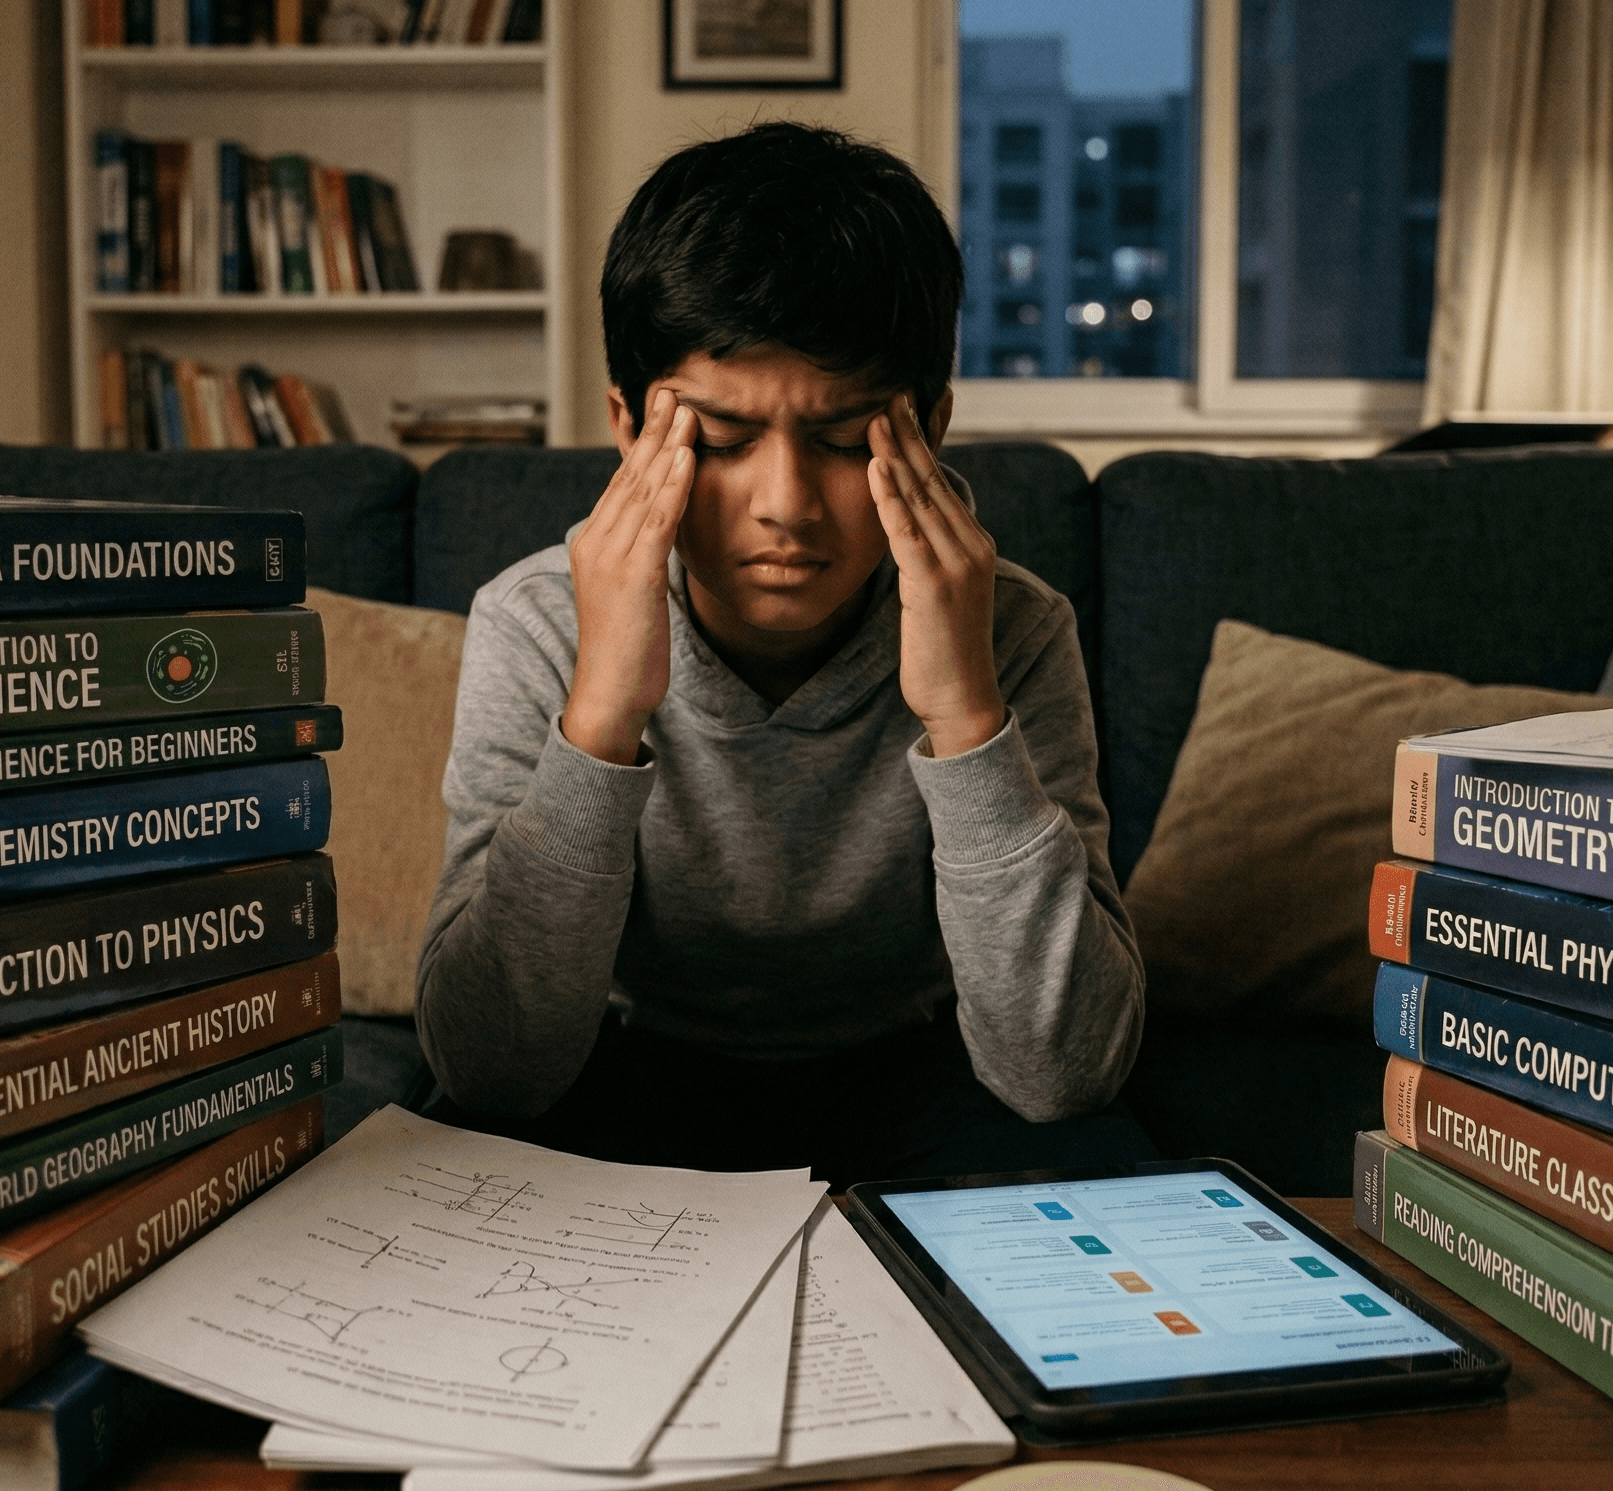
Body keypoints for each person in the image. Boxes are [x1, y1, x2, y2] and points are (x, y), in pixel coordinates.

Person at [414, 122, 1150, 1186]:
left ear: (930, 429)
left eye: (849, 443)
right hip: (630, 1068)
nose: (785, 507)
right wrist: (602, 716)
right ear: (626, 427)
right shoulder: (533, 620)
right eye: (716, 444)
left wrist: (965, 718)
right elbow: (491, 1069)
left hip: (919, 1074)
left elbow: (1061, 1071)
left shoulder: (1011, 627)